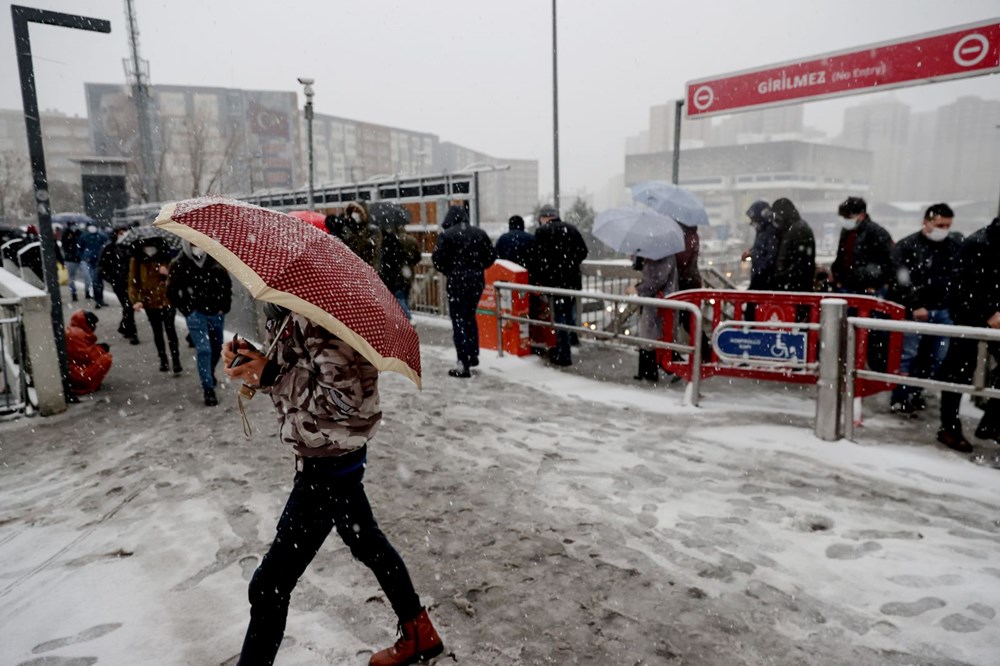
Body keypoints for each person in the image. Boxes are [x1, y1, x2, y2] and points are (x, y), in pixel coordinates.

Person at [222, 306, 444, 666]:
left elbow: (344, 398)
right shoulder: (285, 311)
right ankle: (419, 632)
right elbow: (297, 375)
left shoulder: (321, 318)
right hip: (332, 455)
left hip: (327, 466)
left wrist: (272, 374)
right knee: (366, 541)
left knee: (268, 586)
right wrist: (254, 363)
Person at [886, 203, 961, 415]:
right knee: (908, 355)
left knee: (936, 356)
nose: (943, 230)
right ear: (926, 223)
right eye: (940, 225)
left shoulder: (952, 246)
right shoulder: (907, 246)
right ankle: (900, 396)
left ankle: (914, 391)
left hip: (942, 310)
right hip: (916, 312)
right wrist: (915, 304)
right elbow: (900, 279)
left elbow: (955, 278)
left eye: (947, 225)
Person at [934, 217, 1000, 453]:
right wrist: (988, 312)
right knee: (956, 373)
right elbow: (960, 287)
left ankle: (992, 423)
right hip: (970, 319)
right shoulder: (978, 243)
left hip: (992, 318)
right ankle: (949, 428)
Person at [432, 205, 497, 377]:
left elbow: (437, 260)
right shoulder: (479, 233)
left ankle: (463, 362)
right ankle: (473, 353)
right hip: (476, 282)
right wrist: (477, 268)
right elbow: (491, 256)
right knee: (470, 316)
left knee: (458, 320)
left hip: (456, 282)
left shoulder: (447, 235)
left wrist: (451, 271)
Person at [167, 241, 232, 406]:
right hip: (196, 314)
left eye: (199, 242)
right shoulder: (179, 264)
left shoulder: (215, 261)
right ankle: (208, 388)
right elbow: (172, 291)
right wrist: (187, 309)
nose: (197, 246)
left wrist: (223, 307)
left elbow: (226, 285)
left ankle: (208, 373)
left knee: (217, 348)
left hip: (216, 312)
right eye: (192, 244)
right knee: (204, 349)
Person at [832, 196, 894, 370]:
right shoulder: (847, 232)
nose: (845, 221)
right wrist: (837, 277)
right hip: (847, 288)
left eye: (848, 217)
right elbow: (842, 257)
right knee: (846, 331)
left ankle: (876, 370)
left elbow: (889, 263)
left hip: (868, 291)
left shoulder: (877, 233)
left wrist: (873, 280)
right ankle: (849, 365)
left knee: (873, 334)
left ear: (860, 215)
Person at [527, 204, 588, 367]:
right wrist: (570, 263)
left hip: (554, 282)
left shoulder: (542, 232)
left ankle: (564, 353)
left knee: (559, 316)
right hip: (572, 281)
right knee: (569, 312)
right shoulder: (571, 229)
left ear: (544, 217)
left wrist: (545, 273)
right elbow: (583, 251)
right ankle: (571, 341)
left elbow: (535, 258)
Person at [129, 237, 182, 374]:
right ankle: (163, 359)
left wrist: (168, 273)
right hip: (149, 301)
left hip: (167, 300)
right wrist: (136, 300)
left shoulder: (167, 258)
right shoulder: (137, 260)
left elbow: (178, 278)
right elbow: (133, 282)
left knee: (171, 330)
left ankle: (176, 360)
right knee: (157, 331)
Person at [631, 254, 678, 382]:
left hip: (658, 299)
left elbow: (658, 280)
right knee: (650, 335)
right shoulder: (657, 252)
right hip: (655, 299)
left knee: (651, 335)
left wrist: (638, 289)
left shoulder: (664, 255)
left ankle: (656, 370)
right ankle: (649, 371)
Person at [99, 225, 141, 345]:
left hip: (131, 282)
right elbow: (102, 267)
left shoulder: (132, 247)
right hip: (118, 283)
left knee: (128, 307)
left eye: (124, 233)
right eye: (120, 233)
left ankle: (126, 328)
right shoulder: (109, 248)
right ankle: (132, 333)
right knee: (128, 306)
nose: (122, 235)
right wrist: (112, 278)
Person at [771, 198, 816, 293]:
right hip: (792, 287)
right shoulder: (791, 229)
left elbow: (801, 263)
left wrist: (782, 278)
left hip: (795, 289)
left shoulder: (798, 230)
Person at [378, 222, 422, 320]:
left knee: (398, 299)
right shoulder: (411, 240)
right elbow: (417, 257)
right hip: (408, 273)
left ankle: (407, 320)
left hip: (394, 274)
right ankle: (406, 319)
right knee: (404, 297)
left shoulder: (390, 241)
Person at [65, 309, 113, 395]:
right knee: (106, 359)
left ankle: (87, 383)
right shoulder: (77, 334)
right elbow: (86, 357)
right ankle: (87, 385)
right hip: (76, 374)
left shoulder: (74, 331)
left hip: (71, 370)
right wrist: (101, 349)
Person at [742, 200, 778, 292]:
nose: (752, 223)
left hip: (763, 283)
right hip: (759, 281)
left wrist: (753, 255)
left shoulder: (770, 233)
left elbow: (769, 258)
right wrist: (751, 252)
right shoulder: (762, 232)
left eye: (754, 219)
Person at [78, 223, 109, 308]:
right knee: (96, 281)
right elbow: (79, 248)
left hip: (98, 260)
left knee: (98, 281)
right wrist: (84, 257)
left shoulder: (100, 236)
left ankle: (99, 299)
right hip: (92, 261)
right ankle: (98, 300)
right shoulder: (85, 236)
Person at [61, 222, 83, 302]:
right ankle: (73, 293)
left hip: (79, 258)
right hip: (71, 259)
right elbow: (64, 245)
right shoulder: (66, 234)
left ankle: (88, 292)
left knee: (87, 276)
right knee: (72, 277)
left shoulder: (79, 233)